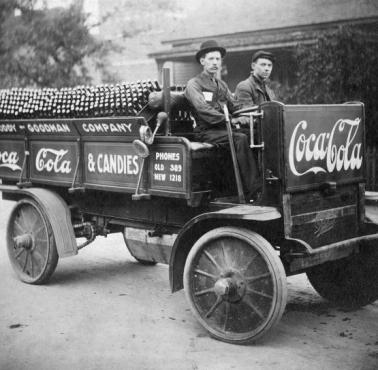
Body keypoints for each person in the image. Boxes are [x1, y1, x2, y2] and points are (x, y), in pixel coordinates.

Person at [184, 40, 260, 201]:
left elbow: (234, 105)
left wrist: (251, 113)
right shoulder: (194, 84)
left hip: (223, 130)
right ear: (202, 61)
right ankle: (255, 190)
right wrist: (230, 120)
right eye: (211, 59)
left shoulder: (221, 85)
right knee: (241, 138)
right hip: (206, 132)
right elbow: (203, 109)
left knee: (255, 134)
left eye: (218, 59)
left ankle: (264, 183)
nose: (215, 63)